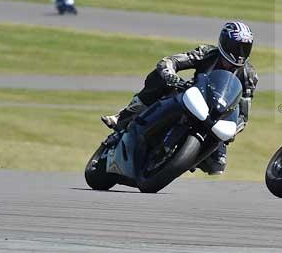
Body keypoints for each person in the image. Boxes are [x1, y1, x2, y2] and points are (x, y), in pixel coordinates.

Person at [100, 21, 258, 175]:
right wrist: (170, 74)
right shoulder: (207, 53)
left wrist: (233, 130)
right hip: (193, 98)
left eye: (245, 48)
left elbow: (243, 114)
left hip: (216, 116)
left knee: (218, 165)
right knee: (159, 80)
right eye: (236, 47)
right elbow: (170, 61)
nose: (240, 53)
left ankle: (181, 160)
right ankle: (124, 116)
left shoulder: (249, 75)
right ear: (224, 43)